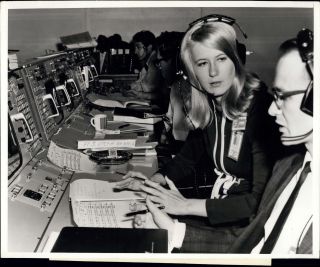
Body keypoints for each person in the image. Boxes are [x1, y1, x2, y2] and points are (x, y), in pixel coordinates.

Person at [115, 14, 280, 252]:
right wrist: (154, 181)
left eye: (221, 59)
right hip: (221, 212)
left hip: (249, 229)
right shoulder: (211, 106)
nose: (213, 72)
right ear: (192, 72)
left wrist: (185, 207)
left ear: (235, 59)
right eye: (202, 63)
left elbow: (259, 204)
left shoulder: (262, 109)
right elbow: (188, 157)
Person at [229, 28, 314, 254]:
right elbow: (253, 242)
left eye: (281, 96)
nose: (271, 109)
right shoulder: (286, 166)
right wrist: (174, 231)